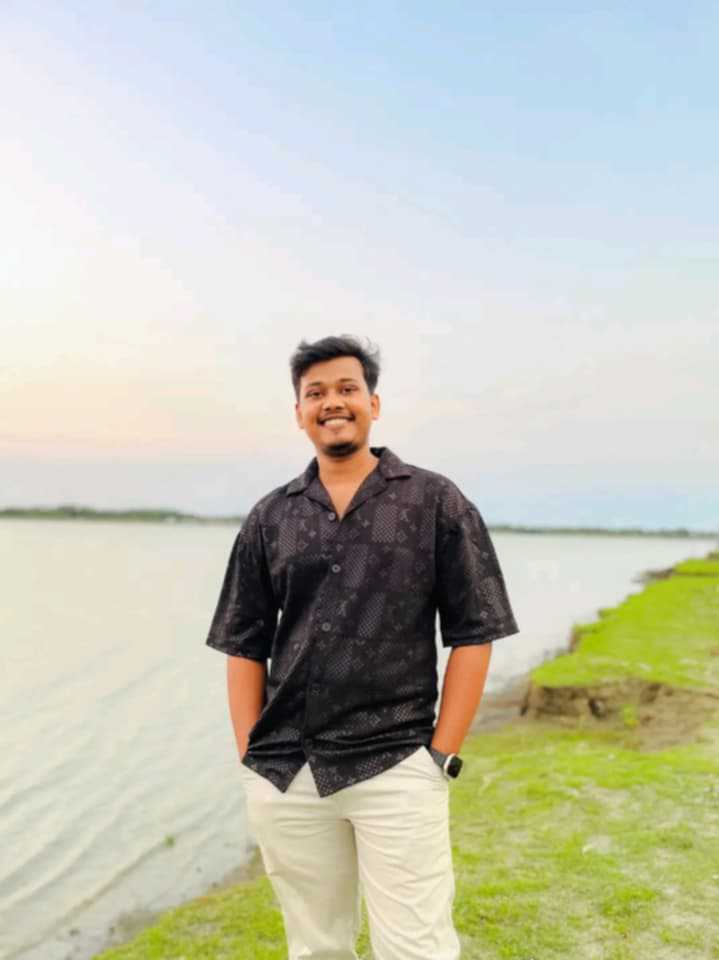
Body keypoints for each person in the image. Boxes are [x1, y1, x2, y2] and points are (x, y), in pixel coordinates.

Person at [206, 334, 519, 960]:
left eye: (347, 389)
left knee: (417, 947)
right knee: (316, 948)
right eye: (315, 393)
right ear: (299, 413)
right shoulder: (270, 517)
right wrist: (249, 757)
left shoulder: (435, 501)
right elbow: (243, 641)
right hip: (287, 770)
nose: (332, 402)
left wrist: (441, 756)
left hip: (396, 761)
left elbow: (475, 631)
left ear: (373, 404)